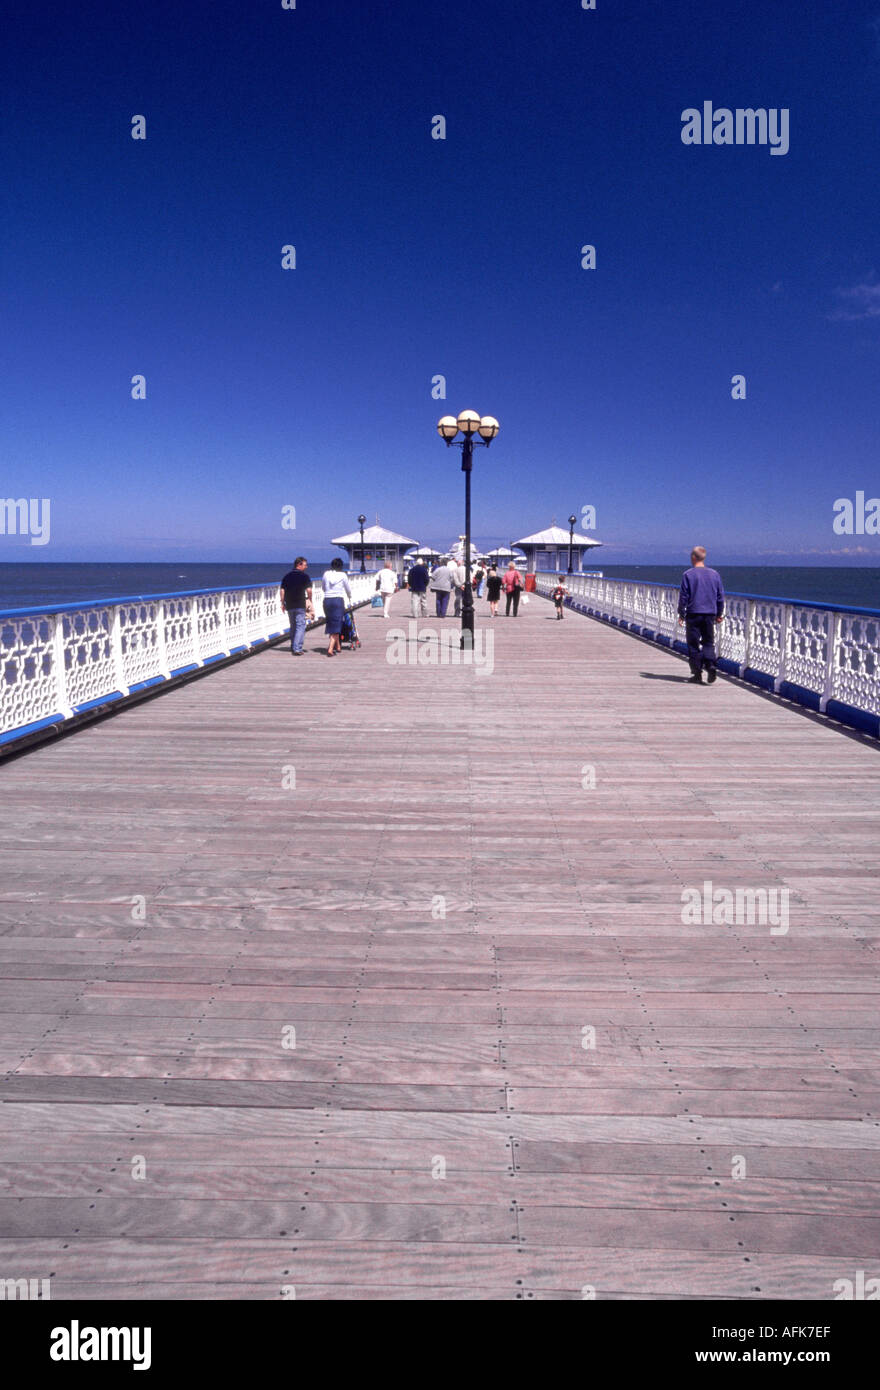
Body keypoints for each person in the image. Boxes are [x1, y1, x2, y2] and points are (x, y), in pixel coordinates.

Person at [678, 545, 725, 684]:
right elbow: (720, 596)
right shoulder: (715, 574)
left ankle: (697, 673)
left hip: (693, 613)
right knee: (708, 642)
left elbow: (684, 596)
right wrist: (719, 613)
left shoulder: (688, 574)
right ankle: (710, 665)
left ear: (693, 557)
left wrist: (681, 613)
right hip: (710, 613)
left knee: (693, 644)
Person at [279, 557, 314, 655]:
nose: (306, 567)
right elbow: (309, 590)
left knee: (293, 625)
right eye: (305, 565)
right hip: (300, 604)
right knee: (300, 626)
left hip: (289, 604)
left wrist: (282, 603)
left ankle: (293, 645)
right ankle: (297, 648)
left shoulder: (287, 576)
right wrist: (310, 599)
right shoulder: (305, 576)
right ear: (299, 564)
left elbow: (282, 591)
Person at [321, 557, 352, 657]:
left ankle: (338, 646)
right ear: (341, 566)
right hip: (338, 600)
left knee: (331, 622)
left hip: (327, 600)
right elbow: (348, 588)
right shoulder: (343, 575)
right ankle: (330, 649)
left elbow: (323, 587)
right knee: (337, 623)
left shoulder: (326, 574)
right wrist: (349, 596)